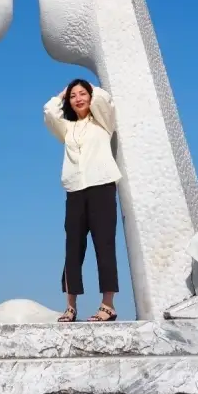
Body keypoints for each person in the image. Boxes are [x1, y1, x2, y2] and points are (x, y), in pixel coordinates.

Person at [44, 78, 122, 323]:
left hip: (102, 187)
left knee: (104, 245)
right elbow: (49, 111)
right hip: (75, 190)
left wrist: (88, 85)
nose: (78, 99)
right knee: (73, 248)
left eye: (82, 94)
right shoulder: (67, 129)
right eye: (73, 96)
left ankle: (107, 305)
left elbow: (103, 99)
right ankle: (70, 306)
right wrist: (62, 92)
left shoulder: (103, 122)